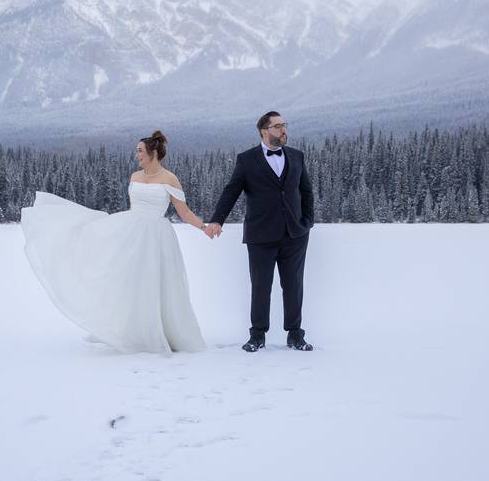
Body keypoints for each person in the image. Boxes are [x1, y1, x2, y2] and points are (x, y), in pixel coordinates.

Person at [21, 131, 206, 355]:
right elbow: (134, 208)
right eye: (137, 151)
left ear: (153, 153)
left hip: (157, 237)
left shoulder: (170, 179)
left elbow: (184, 212)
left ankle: (162, 331)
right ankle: (133, 330)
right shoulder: (135, 177)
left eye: (140, 151)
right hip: (133, 233)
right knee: (130, 281)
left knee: (156, 283)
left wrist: (204, 227)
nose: (137, 154)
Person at [204, 112, 315, 352]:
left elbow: (306, 191)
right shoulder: (247, 160)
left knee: (294, 285)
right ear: (264, 131)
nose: (283, 130)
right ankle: (257, 335)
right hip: (261, 235)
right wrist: (217, 220)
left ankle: (295, 335)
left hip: (295, 234)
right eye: (278, 126)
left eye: (284, 125)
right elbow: (231, 191)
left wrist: (308, 222)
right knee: (261, 286)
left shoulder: (297, 156)